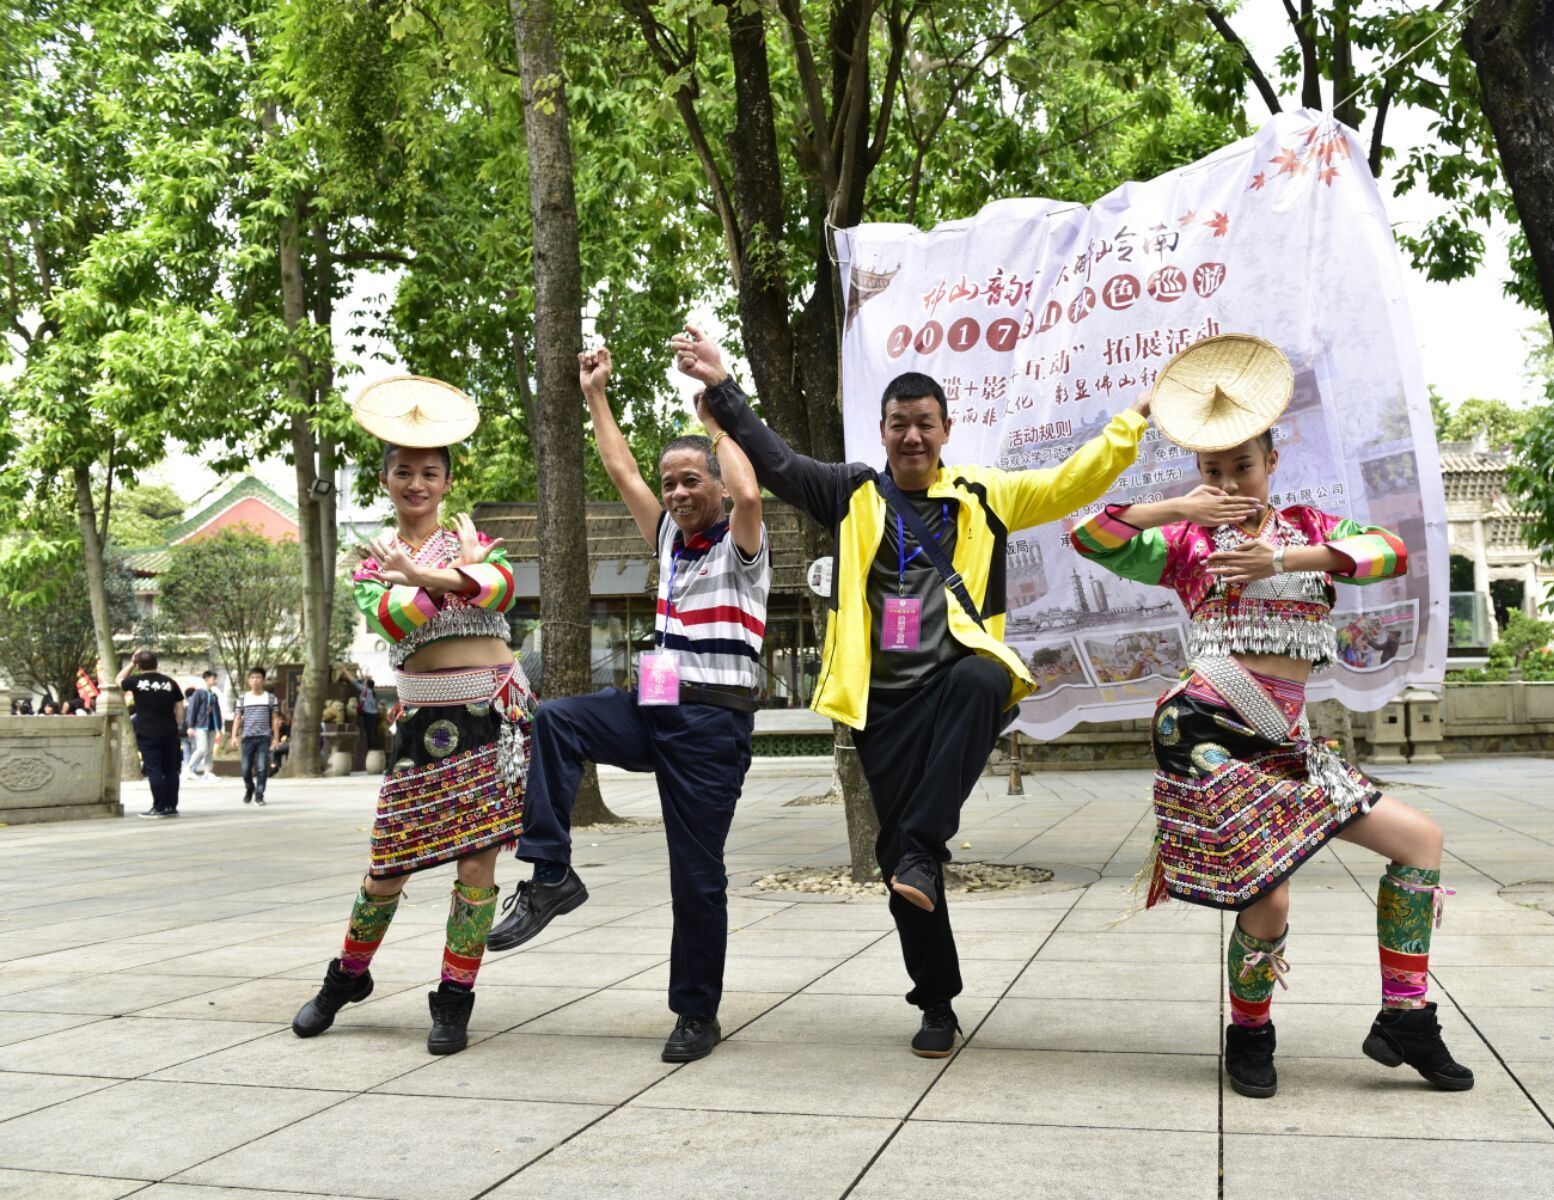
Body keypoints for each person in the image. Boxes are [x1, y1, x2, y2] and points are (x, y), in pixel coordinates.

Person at [674, 324, 1151, 1058]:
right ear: (884, 431)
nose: (913, 437)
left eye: (926, 424)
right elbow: (773, 459)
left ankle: (924, 846)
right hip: (882, 707)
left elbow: (1072, 481)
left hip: (954, 686)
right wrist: (722, 381)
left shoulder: (987, 495)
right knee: (904, 866)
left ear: (946, 430)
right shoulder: (852, 492)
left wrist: (1137, 419)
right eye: (900, 424)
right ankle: (936, 1000)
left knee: (986, 673)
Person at [1068, 332, 1472, 1099]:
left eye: (1241, 467)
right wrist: (1173, 505)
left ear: (1272, 460)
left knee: (1420, 841)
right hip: (1202, 728)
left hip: (1285, 741)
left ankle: (1406, 1017)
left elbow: (1391, 551)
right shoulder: (1184, 541)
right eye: (1212, 471)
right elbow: (1091, 536)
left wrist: (1282, 561)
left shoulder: (1311, 532)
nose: (1227, 483)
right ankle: (1250, 1034)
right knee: (1269, 889)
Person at [486, 345, 770, 1065]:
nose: (675, 493)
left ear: (715, 482)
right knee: (555, 718)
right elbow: (620, 469)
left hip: (711, 722)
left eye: (689, 481)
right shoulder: (671, 539)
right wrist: (595, 396)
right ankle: (551, 873)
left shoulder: (745, 547)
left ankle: (696, 1015)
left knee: (696, 877)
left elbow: (752, 494)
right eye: (670, 483)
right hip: (657, 699)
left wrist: (718, 417)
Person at [290, 374, 530, 1056]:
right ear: (386, 478)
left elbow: (500, 587)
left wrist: (441, 575)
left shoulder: (477, 541)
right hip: (422, 730)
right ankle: (347, 976)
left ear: (446, 482)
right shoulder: (371, 566)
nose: (416, 482)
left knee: (478, 864)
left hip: (491, 719)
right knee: (387, 865)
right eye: (404, 471)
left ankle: (454, 998)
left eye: (429, 471)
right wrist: (449, 578)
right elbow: (395, 618)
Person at [118, 650, 185, 818]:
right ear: (157, 663)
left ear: (138, 665)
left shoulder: (135, 681)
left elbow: (117, 680)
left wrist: (131, 664)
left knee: (154, 770)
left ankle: (159, 807)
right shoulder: (170, 683)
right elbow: (179, 706)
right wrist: (176, 724)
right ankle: (171, 806)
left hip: (148, 733)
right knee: (171, 770)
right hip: (170, 732)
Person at [231, 668, 283, 806]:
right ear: (248, 680)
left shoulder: (271, 698)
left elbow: (275, 719)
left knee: (262, 767)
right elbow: (237, 718)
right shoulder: (242, 698)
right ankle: (250, 788)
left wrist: (276, 738)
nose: (255, 680)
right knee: (245, 769)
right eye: (252, 677)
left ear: (263, 680)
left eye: (258, 677)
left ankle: (259, 795)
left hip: (264, 738)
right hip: (247, 738)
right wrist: (234, 736)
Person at [185, 670, 223, 779]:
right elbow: (192, 709)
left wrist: (219, 727)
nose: (215, 680)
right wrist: (190, 726)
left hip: (211, 725)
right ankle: (188, 768)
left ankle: (207, 772)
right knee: (202, 748)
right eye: (213, 678)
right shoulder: (198, 693)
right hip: (200, 725)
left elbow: (217, 711)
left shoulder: (213, 694)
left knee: (209, 750)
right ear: (207, 679)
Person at [353, 675, 383, 763]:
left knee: (369, 733)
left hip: (369, 715)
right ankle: (374, 752)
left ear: (367, 685)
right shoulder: (373, 692)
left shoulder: (365, 690)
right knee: (373, 732)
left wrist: (344, 670)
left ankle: (372, 753)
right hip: (375, 714)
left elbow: (354, 682)